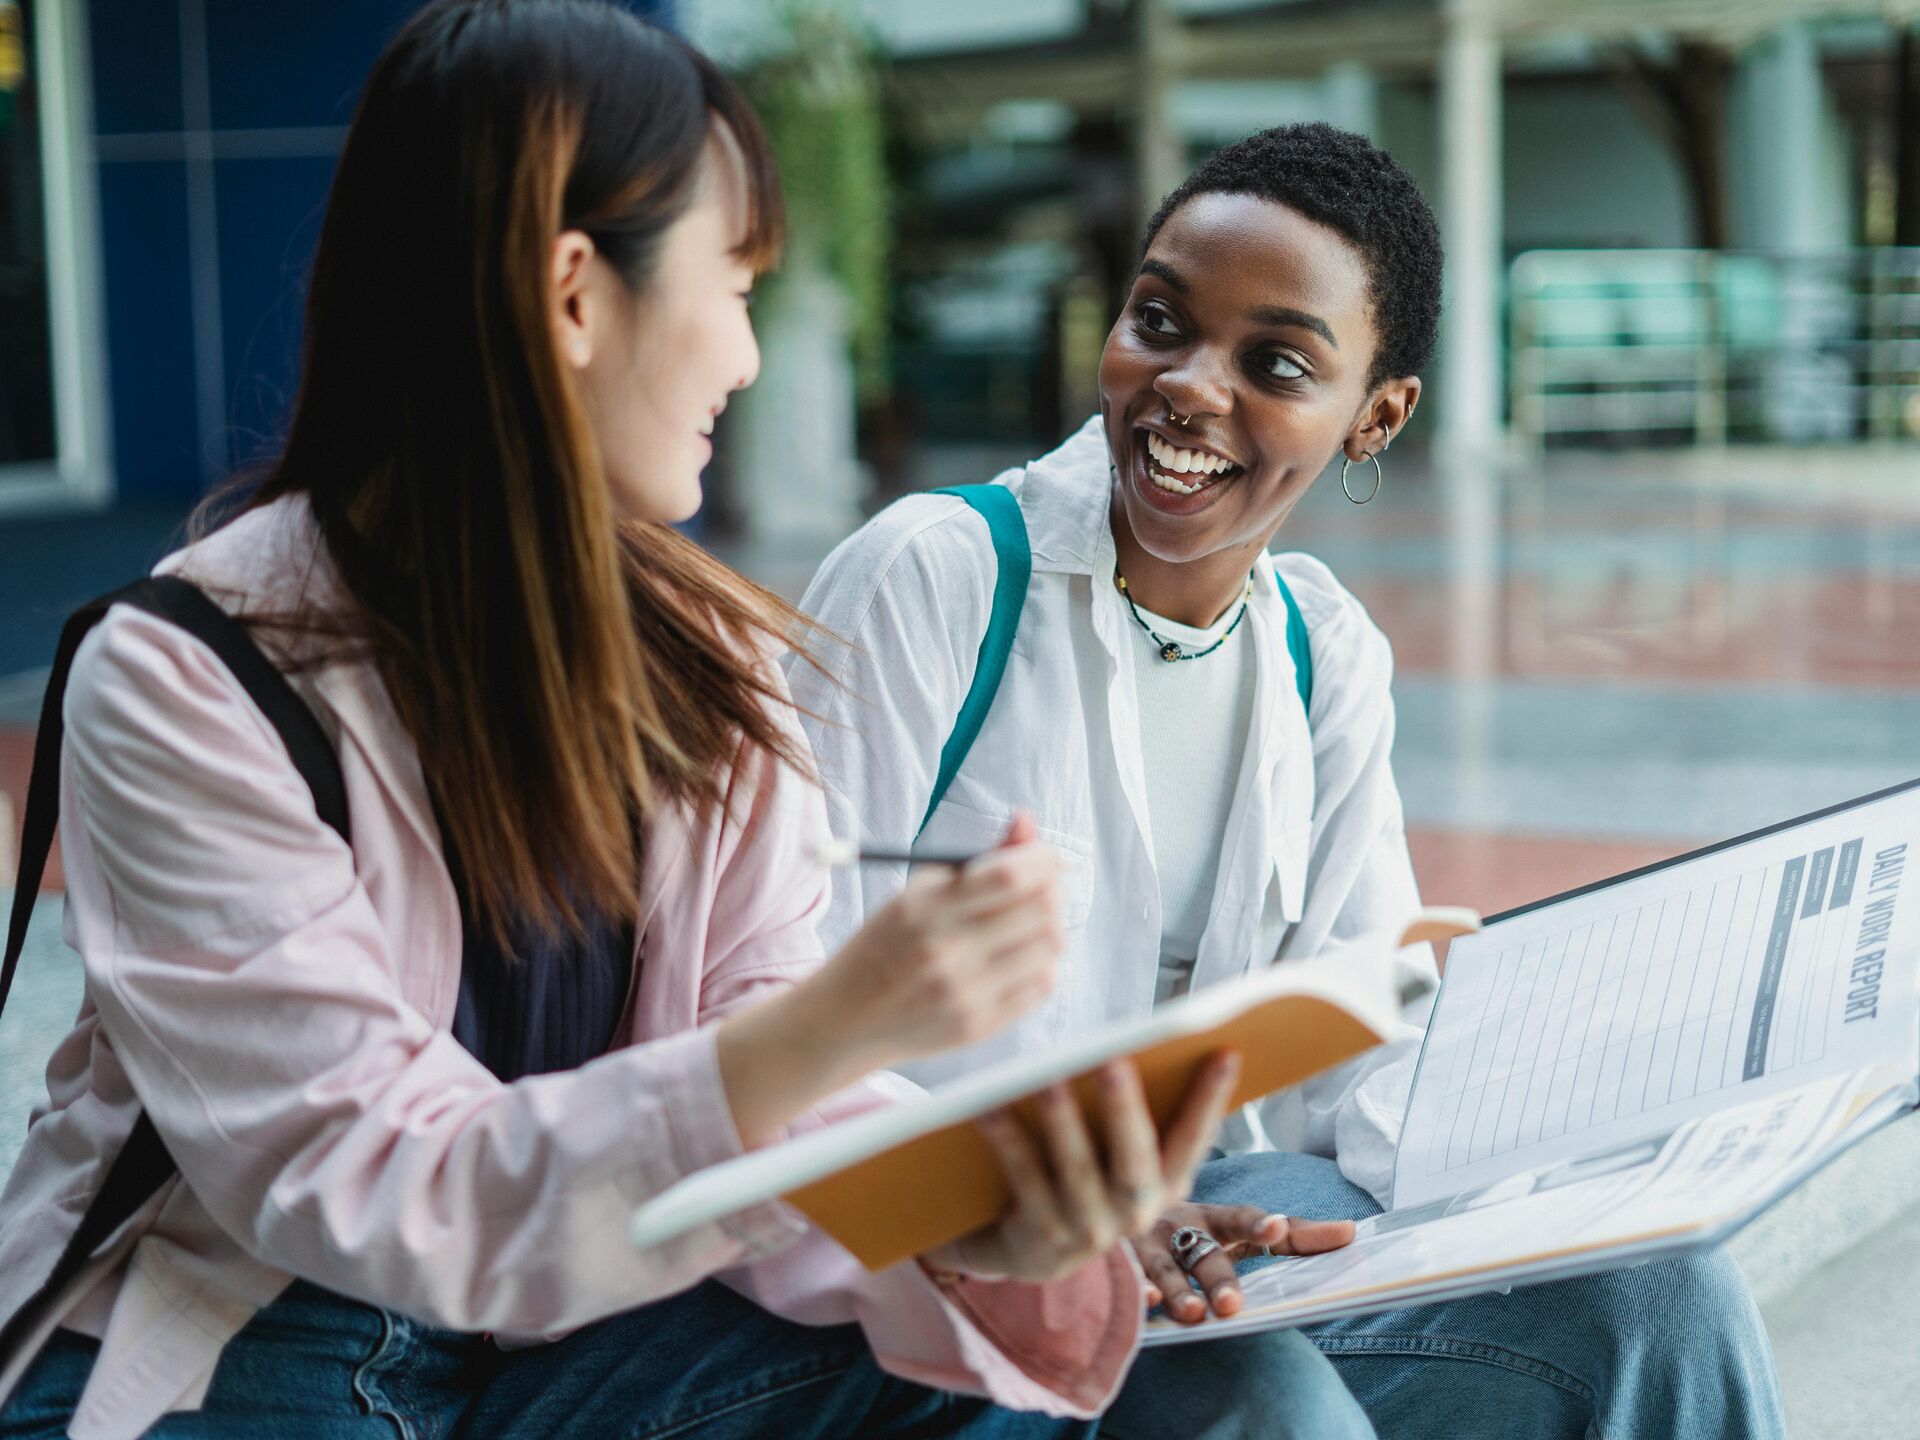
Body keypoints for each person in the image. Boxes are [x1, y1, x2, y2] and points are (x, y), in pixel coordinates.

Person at [0, 4, 1250, 1435]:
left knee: (1084, 1384)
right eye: (733, 284)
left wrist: (979, 1224)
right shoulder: (186, 680)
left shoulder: (708, 652)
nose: (748, 356)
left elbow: (765, 1066)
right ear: (576, 295)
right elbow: (383, 1187)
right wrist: (842, 1026)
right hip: (245, 1343)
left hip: (584, 1331)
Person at [791, 122, 1787, 1439]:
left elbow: (1361, 1072)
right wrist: (1052, 1222)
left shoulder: (1323, 656)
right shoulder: (936, 581)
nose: (1189, 388)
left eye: (1275, 364)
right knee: (1269, 1412)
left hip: (1189, 1235)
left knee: (1662, 1299)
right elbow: (776, 1020)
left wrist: (1602, 1136)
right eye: (1159, 322)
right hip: (929, 1262)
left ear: (1378, 416)